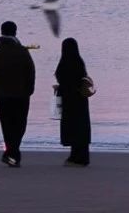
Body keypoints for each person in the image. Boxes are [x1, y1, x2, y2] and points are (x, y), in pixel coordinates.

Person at [0, 20, 35, 167]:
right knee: (19, 125)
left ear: (2, 32)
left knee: (7, 125)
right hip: (21, 94)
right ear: (15, 32)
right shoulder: (22, 51)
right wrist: (29, 90)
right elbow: (31, 72)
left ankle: (11, 154)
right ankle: (13, 154)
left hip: (2, 95)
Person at [55, 37, 91, 167]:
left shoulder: (64, 62)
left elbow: (62, 79)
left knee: (71, 127)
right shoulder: (79, 62)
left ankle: (75, 156)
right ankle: (82, 156)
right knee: (81, 127)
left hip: (68, 99)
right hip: (80, 99)